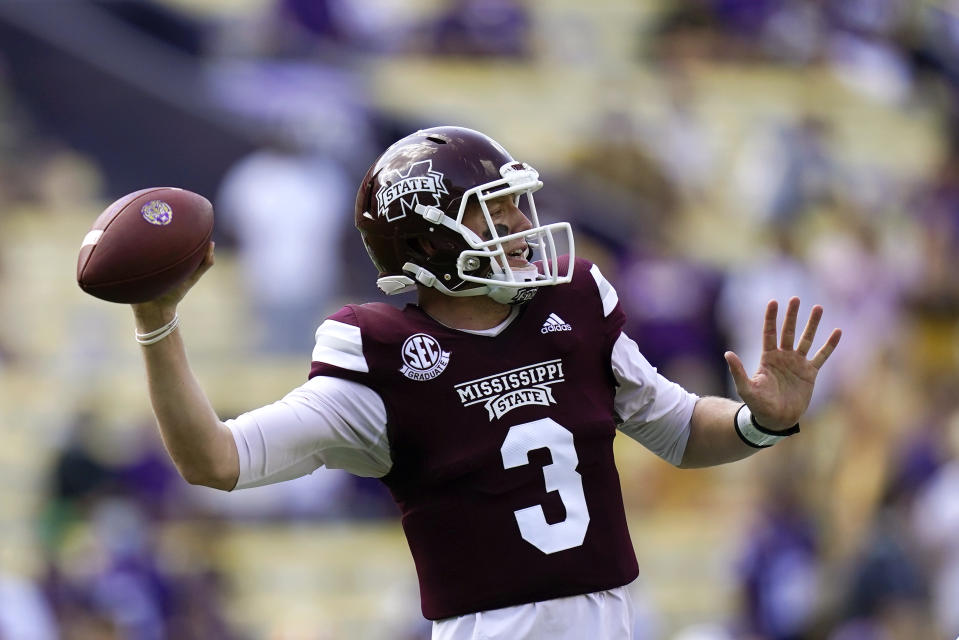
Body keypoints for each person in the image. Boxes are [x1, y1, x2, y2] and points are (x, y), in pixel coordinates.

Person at [128, 126, 842, 639]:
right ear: (429, 241)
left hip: (612, 618)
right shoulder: (380, 356)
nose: (520, 229)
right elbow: (213, 459)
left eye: (516, 208)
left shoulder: (575, 304)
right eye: (492, 214)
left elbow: (681, 431)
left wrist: (758, 422)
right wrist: (157, 325)